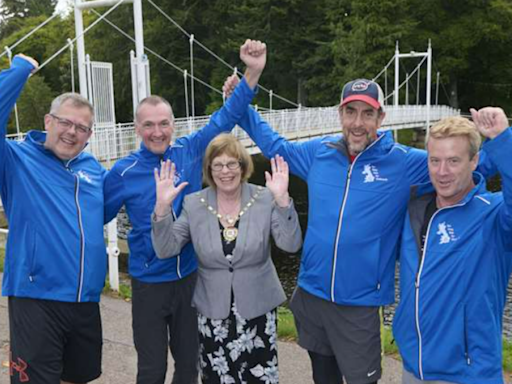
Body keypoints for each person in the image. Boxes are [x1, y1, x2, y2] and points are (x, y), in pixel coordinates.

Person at [222, 74, 497, 384]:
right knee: (323, 378)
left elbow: (469, 165)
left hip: (359, 305)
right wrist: (241, 101)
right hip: (312, 295)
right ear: (340, 114)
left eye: (368, 113)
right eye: (350, 111)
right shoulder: (318, 153)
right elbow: (273, 144)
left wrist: (498, 138)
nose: (357, 122)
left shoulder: (406, 162)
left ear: (381, 117)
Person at [103, 39, 267, 384]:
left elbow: (228, 115)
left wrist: (253, 72)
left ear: (173, 125)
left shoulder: (191, 151)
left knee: (190, 366)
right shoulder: (122, 172)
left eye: (163, 123)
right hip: (149, 284)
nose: (157, 132)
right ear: (137, 128)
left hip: (190, 279)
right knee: (151, 369)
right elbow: (92, 217)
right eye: (149, 125)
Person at [151, 133, 302, 383]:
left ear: (243, 166)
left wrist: (283, 200)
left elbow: (291, 244)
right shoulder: (194, 203)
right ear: (209, 169)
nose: (225, 171)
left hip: (258, 312)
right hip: (213, 314)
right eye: (218, 165)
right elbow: (165, 249)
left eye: (232, 163)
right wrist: (162, 208)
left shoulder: (264, 197)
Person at [1, 55, 107, 384]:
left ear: (89, 135)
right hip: (37, 298)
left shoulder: (92, 170)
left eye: (81, 128)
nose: (72, 132)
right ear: (48, 121)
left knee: (78, 378)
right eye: (65, 122)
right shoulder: (16, 159)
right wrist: (18, 70)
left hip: (85, 301)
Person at [393, 110, 512, 384]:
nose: (442, 172)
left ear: (475, 161)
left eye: (453, 161)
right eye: (435, 161)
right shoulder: (416, 209)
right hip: (413, 367)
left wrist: (503, 140)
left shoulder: (493, 216)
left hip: (468, 374)